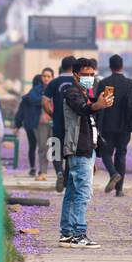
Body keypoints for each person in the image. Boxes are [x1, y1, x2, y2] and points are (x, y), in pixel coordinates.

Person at [59, 57, 113, 248]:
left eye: (92, 75)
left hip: (84, 149)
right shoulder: (72, 92)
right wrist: (97, 106)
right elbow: (82, 109)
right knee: (83, 193)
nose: (90, 78)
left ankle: (66, 233)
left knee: (72, 192)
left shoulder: (84, 92)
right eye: (85, 75)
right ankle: (78, 234)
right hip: (79, 148)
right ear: (75, 75)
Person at [96, 54, 132, 196]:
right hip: (125, 126)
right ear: (122, 66)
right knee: (121, 155)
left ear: (110, 67)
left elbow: (99, 105)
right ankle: (119, 190)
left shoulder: (105, 83)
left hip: (108, 126)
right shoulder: (131, 83)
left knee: (106, 153)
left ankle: (113, 173)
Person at [44, 55, 77, 192]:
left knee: (56, 148)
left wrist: (53, 114)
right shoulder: (79, 82)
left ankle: (59, 172)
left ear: (62, 66)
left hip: (58, 122)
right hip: (74, 124)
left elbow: (45, 102)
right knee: (70, 151)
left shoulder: (54, 82)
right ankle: (67, 178)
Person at [14, 75, 46, 176]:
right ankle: (42, 169)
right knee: (42, 147)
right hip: (41, 125)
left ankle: (32, 168)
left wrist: (17, 125)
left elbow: (20, 113)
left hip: (29, 125)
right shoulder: (43, 97)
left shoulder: (26, 98)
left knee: (32, 147)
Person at [35, 67, 54, 181]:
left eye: (48, 76)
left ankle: (60, 172)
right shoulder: (37, 90)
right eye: (44, 76)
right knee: (43, 147)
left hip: (55, 121)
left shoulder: (56, 88)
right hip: (42, 123)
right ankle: (43, 171)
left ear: (52, 77)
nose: (46, 78)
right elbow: (30, 100)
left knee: (57, 147)